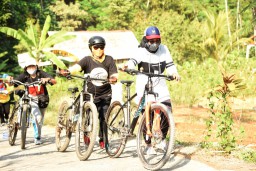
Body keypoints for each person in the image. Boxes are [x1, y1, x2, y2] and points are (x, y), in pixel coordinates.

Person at [121, 26, 180, 155]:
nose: (154, 43)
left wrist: (174, 73)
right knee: (147, 113)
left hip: (160, 84)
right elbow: (132, 62)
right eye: (151, 41)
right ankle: (147, 144)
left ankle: (161, 139)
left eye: (157, 40)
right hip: (145, 83)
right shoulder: (140, 51)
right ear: (146, 40)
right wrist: (128, 67)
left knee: (167, 111)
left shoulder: (164, 49)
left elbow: (170, 65)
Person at [60, 36, 118, 149]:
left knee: (104, 118)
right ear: (91, 48)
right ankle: (86, 134)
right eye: (96, 47)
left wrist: (113, 78)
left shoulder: (109, 59)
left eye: (101, 47)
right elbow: (76, 67)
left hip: (105, 94)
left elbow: (114, 74)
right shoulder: (87, 60)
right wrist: (68, 71)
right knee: (87, 115)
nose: (99, 50)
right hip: (90, 94)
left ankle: (103, 140)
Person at [12, 59, 57, 145]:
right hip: (31, 99)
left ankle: (38, 135)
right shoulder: (24, 76)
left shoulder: (41, 73)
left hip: (43, 99)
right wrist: (10, 80)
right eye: (29, 66)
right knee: (37, 117)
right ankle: (37, 137)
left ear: (36, 67)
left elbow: (54, 81)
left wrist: (47, 79)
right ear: (26, 68)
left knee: (41, 119)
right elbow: (14, 83)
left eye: (32, 66)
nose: (31, 68)